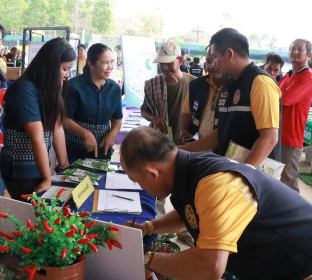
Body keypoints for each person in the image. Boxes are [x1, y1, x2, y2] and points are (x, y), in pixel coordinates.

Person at [122, 127, 312, 280]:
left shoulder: (216, 185)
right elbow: (189, 215)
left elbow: (209, 267)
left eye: (136, 180)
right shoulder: (188, 169)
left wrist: (147, 259)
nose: (141, 187)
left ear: (152, 173)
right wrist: (148, 228)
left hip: (302, 265)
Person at [180, 28, 281, 167]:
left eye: (215, 57)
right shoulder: (230, 84)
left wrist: (241, 175)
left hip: (254, 178)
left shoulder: (260, 83)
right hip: (233, 169)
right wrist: (182, 150)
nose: (213, 64)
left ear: (229, 54)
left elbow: (269, 138)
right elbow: (221, 133)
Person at [0, 38, 76, 200]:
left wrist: (64, 165)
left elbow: (57, 126)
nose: (67, 75)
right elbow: (36, 137)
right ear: (50, 66)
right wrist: (47, 178)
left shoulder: (50, 88)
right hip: (21, 172)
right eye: (64, 69)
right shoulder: (24, 89)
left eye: (69, 70)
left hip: (40, 169)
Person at [64, 43, 122, 159]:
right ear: (90, 63)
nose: (110, 67)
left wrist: (113, 133)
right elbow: (65, 120)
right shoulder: (73, 86)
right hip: (75, 150)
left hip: (103, 150)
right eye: (105, 63)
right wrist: (85, 133)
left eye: (112, 62)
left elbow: (117, 118)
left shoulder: (114, 88)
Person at [141, 41, 196, 145]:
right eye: (162, 63)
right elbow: (144, 111)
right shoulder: (152, 85)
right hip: (160, 142)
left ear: (180, 60)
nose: (165, 68)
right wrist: (154, 118)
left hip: (187, 143)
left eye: (169, 63)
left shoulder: (194, 84)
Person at [279, 39, 312, 192]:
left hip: (290, 139)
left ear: (309, 55)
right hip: (277, 135)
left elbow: (284, 99)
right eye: (292, 48)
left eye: (300, 49)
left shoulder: (307, 77)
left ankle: (298, 216)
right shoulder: (288, 76)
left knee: (288, 182)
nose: (295, 52)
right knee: (275, 179)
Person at [179, 46, 228, 143]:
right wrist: (183, 130)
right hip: (196, 147)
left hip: (223, 151)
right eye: (209, 62)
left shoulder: (236, 87)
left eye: (216, 61)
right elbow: (186, 112)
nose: (212, 66)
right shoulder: (196, 85)